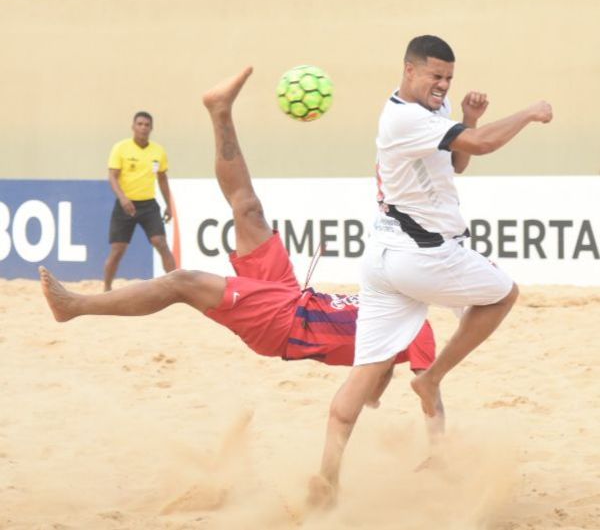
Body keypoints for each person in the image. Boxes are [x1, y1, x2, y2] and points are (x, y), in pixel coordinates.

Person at [40, 67, 443, 425]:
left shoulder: (418, 327)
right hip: (293, 296)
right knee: (247, 208)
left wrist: (421, 430)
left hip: (285, 324)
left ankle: (75, 306)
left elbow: (426, 390)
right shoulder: (386, 296)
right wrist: (378, 376)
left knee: (182, 281)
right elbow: (377, 376)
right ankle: (219, 110)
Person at [312, 35, 553, 506]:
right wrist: (528, 112)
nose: (442, 84)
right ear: (409, 70)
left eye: (448, 77)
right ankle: (431, 378)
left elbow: (457, 163)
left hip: (383, 258)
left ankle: (326, 480)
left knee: (364, 375)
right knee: (503, 295)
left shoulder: (427, 112)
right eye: (434, 75)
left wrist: (469, 118)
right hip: (423, 256)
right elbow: (480, 148)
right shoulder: (404, 116)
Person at [104, 111, 176, 291]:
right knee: (118, 250)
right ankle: (106, 288)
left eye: (146, 125)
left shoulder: (158, 151)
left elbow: (162, 179)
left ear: (151, 128)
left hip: (148, 205)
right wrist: (123, 198)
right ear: (133, 127)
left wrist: (169, 205)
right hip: (125, 205)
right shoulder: (121, 148)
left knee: (161, 243)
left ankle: (177, 288)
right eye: (140, 124)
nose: (143, 128)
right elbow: (112, 176)